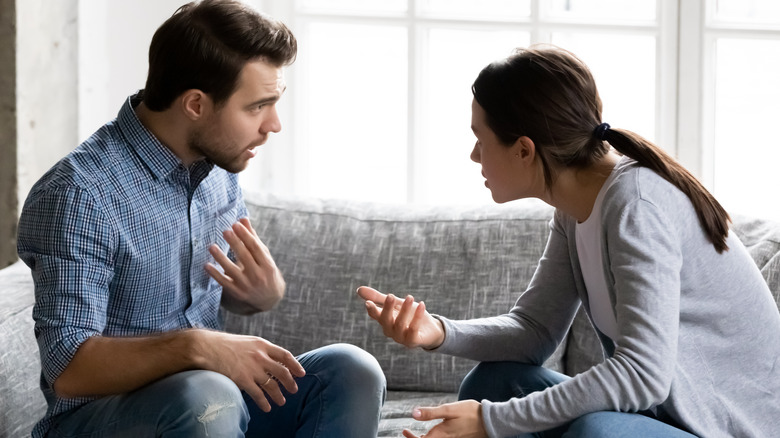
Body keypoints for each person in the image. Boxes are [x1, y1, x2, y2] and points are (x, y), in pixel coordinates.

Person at [357, 44, 780, 438]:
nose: (474, 155)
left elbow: (642, 375)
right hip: (662, 420)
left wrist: (491, 421)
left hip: (725, 430)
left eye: (480, 140)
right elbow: (534, 331)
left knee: (595, 432)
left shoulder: (636, 206)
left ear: (524, 150)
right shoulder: (574, 208)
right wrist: (437, 332)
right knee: (494, 382)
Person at [17, 1, 385, 437]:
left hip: (213, 411)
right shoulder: (78, 195)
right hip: (109, 420)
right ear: (195, 104)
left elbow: (196, 294)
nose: (274, 125)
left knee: (351, 370)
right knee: (207, 395)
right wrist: (196, 347)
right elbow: (68, 370)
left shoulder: (217, 167)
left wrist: (259, 296)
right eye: (257, 107)